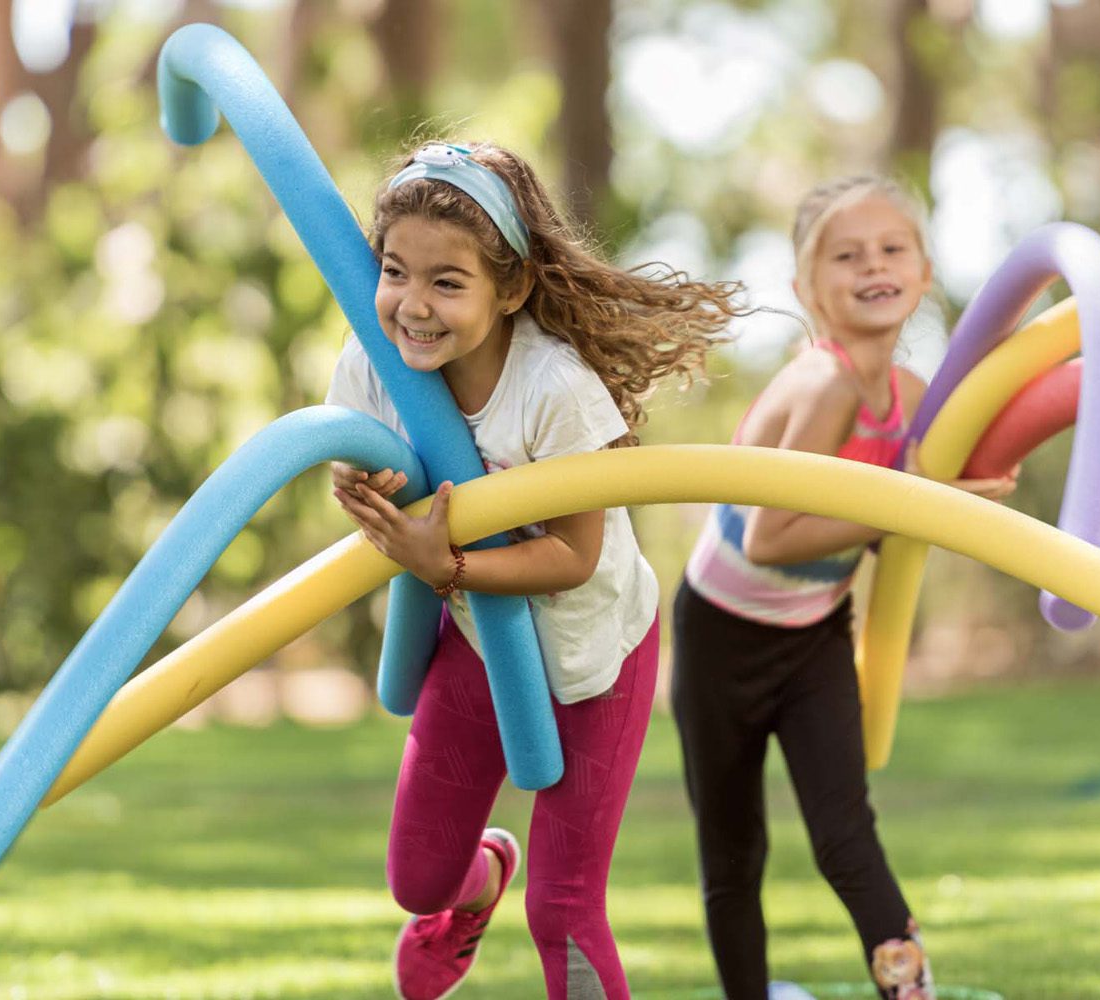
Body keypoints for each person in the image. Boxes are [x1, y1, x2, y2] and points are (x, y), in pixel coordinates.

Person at [326, 140, 743, 1000]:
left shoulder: (554, 387)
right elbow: (351, 459)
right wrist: (354, 481)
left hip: (599, 654)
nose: (414, 305)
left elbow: (573, 556)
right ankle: (480, 883)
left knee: (564, 907)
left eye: (449, 282)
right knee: (417, 880)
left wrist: (443, 564)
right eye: (395, 271)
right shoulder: (372, 360)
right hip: (481, 648)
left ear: (510, 288)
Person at [671, 175, 1016, 1000]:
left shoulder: (914, 395)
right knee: (733, 849)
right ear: (804, 287)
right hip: (724, 634)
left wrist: (978, 481)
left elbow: (945, 488)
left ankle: (911, 991)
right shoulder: (821, 384)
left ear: (924, 273)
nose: (874, 265)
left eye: (893, 249)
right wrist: (913, 509)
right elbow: (771, 535)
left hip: (814, 632)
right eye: (846, 254)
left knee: (845, 832)